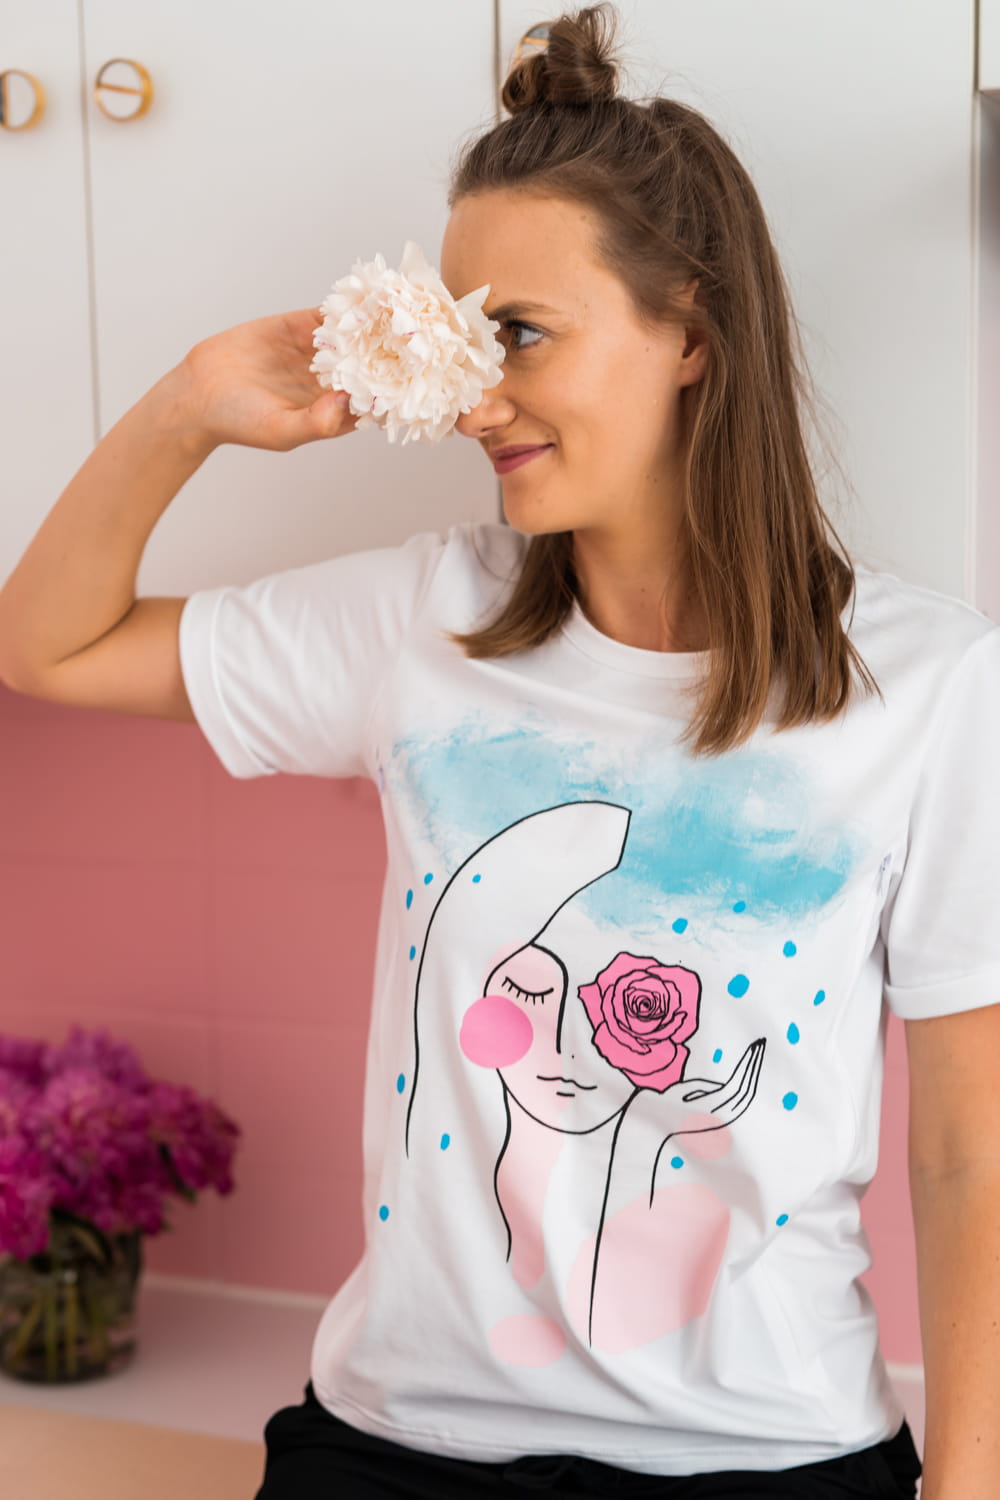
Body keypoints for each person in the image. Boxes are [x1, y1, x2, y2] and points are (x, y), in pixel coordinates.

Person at [0, 4, 997, 1495]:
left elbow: (971, 1156)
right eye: (465, 336)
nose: (475, 394)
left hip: (773, 1455)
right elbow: (48, 647)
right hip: (401, 1444)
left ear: (691, 335)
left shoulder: (928, 686)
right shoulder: (425, 623)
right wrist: (190, 406)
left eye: (520, 332)